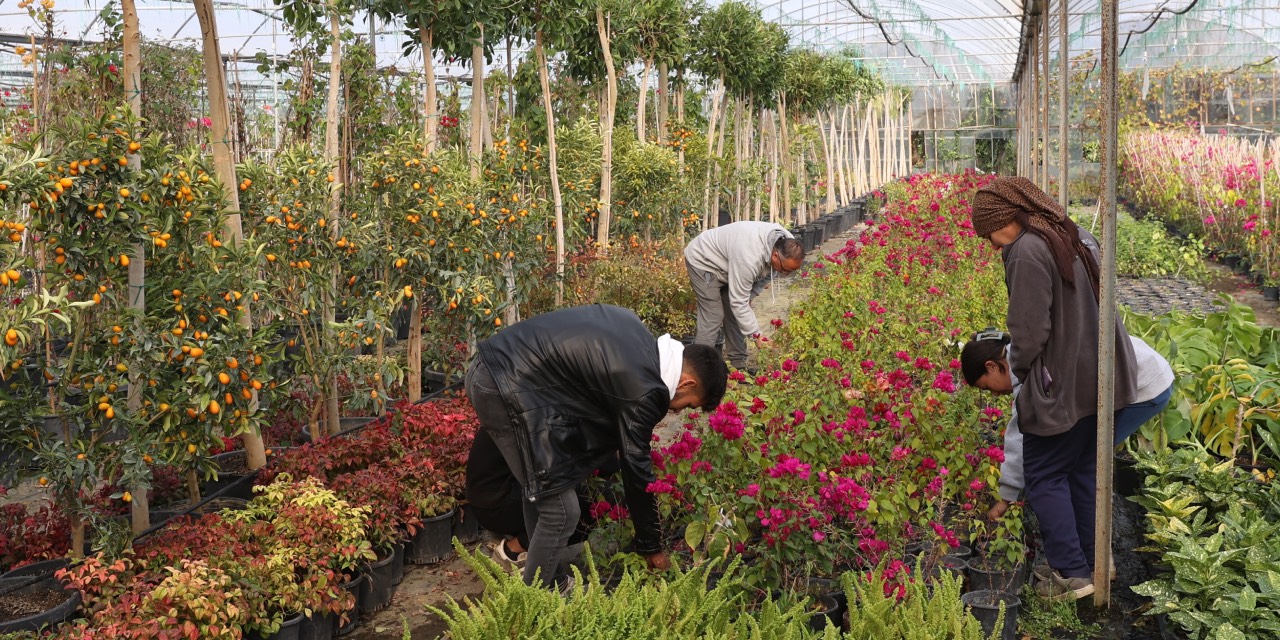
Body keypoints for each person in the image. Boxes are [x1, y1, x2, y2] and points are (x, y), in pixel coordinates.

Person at [464, 304, 729, 590]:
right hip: (504, 388)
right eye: (686, 405)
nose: (675, 412)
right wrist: (651, 545)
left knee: (545, 493)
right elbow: (636, 467)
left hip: (496, 372)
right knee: (563, 512)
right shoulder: (646, 388)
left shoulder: (635, 330)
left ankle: (553, 582)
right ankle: (534, 601)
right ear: (687, 382)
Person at [969, 176, 1140, 602]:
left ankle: (1072, 576)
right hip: (1105, 375)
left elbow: (1028, 332)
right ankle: (1097, 563)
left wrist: (1023, 372)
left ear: (1006, 220)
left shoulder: (1026, 250)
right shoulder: (1072, 233)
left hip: (1065, 383)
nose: (992, 245)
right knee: (1081, 471)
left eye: (989, 234)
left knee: (1045, 474)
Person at [960, 328, 1175, 585]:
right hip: (1131, 375)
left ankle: (1079, 569)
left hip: (1142, 387)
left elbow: (1022, 435)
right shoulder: (1024, 349)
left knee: (1064, 470)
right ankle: (1090, 564)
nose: (995, 395)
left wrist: (1006, 495)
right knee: (1078, 466)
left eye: (987, 387)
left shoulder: (1025, 369)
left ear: (992, 366)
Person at [465, 428, 618, 565]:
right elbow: (603, 463)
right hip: (500, 503)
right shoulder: (561, 407)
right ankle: (514, 550)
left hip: (488, 495)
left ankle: (520, 535)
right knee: (605, 500)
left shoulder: (537, 398)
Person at [684, 221, 805, 370]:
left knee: (736, 313)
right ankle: (699, 369)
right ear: (774, 256)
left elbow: (769, 275)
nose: (785, 274)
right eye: (785, 269)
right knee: (713, 315)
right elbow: (738, 302)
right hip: (704, 261)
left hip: (730, 264)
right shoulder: (749, 258)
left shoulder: (788, 245)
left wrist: (750, 297)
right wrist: (757, 336)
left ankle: (739, 366)